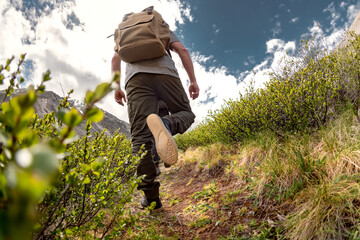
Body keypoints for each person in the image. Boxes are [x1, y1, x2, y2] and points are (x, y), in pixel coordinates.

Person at [111, 16, 200, 209]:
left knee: (140, 139)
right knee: (186, 113)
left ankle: (151, 198)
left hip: (135, 80)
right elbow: (182, 50)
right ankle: (167, 124)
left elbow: (116, 58)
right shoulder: (160, 27)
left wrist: (117, 87)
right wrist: (193, 80)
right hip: (166, 74)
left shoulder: (123, 33)